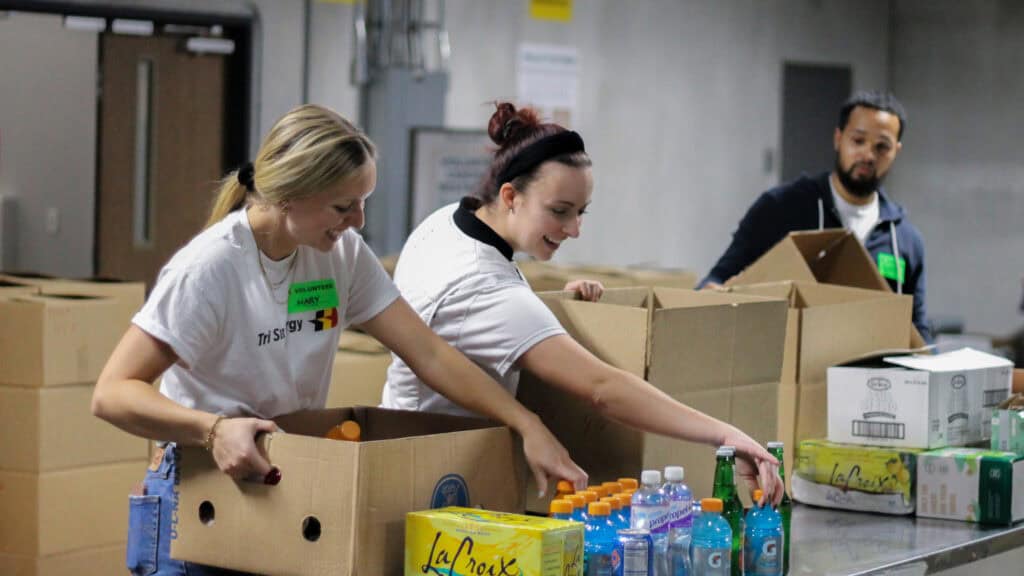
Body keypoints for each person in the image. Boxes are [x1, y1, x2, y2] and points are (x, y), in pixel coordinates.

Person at [91, 104, 585, 576]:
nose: (359, 222)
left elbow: (429, 354)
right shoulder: (211, 269)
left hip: (278, 483)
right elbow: (112, 392)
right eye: (344, 205)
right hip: (195, 498)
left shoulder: (341, 255)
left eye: (364, 202)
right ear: (289, 195)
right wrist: (213, 429)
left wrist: (526, 423)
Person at [380, 102, 784, 504]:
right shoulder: (486, 289)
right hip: (441, 479)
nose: (574, 229)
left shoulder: (446, 223)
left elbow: (474, 323)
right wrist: (725, 435)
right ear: (510, 196)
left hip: (401, 442)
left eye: (580, 212)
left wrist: (556, 307)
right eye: (559, 212)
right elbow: (603, 388)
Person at [699, 91, 931, 342]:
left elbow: (918, 329)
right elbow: (718, 278)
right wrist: (712, 294)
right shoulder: (782, 208)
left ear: (896, 150)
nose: (868, 155)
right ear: (838, 138)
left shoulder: (905, 240)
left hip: (873, 377)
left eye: (881, 147)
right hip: (795, 371)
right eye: (858, 140)